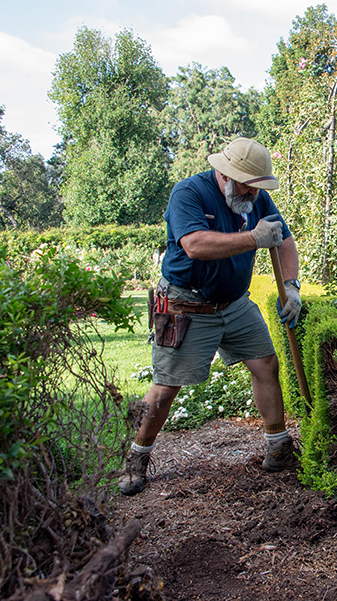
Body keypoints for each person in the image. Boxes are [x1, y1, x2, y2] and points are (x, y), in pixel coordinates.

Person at [119, 137, 303, 496]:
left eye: (257, 187)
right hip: (187, 306)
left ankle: (278, 449)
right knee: (166, 385)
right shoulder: (189, 193)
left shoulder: (257, 198)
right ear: (225, 175)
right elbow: (195, 245)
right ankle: (136, 458)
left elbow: (283, 240)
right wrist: (253, 238)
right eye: (248, 186)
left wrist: (292, 284)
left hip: (234, 304)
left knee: (266, 364)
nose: (252, 195)